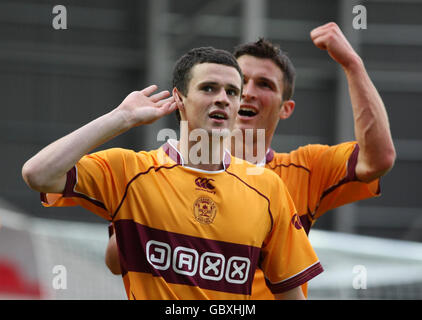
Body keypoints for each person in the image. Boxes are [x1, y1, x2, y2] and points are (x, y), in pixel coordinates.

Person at [104, 22, 396, 299]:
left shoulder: (302, 170)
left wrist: (352, 65)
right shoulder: (159, 170)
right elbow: (116, 261)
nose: (250, 93)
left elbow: (378, 158)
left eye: (266, 85)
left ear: (286, 109)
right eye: (240, 84)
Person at [22, 47, 323, 300]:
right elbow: (38, 174)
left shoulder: (267, 187)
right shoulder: (129, 172)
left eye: (232, 92)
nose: (223, 99)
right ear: (179, 99)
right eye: (209, 88)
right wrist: (120, 118)